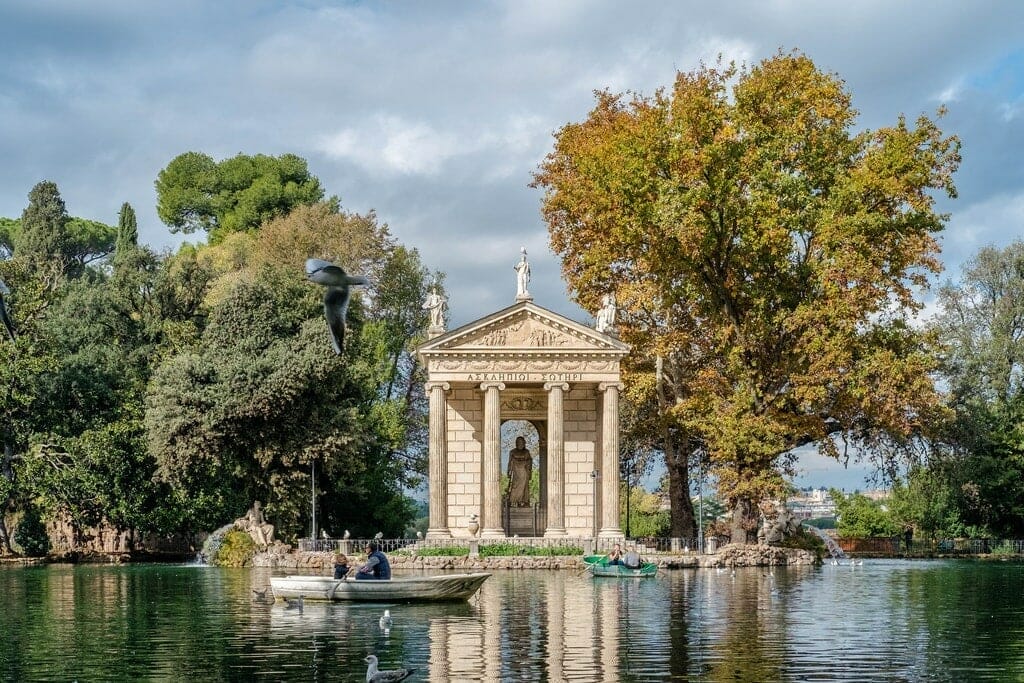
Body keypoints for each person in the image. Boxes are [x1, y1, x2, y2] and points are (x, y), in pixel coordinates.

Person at [507, 436, 532, 507]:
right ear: (516, 443)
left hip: (524, 472)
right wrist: (509, 471)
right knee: (514, 486)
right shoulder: (512, 452)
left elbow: (529, 461)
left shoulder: (526, 452)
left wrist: (529, 471)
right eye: (519, 442)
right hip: (516, 473)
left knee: (525, 487)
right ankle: (513, 501)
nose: (520, 444)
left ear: (524, 443)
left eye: (522, 442)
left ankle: (524, 501)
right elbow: (510, 462)